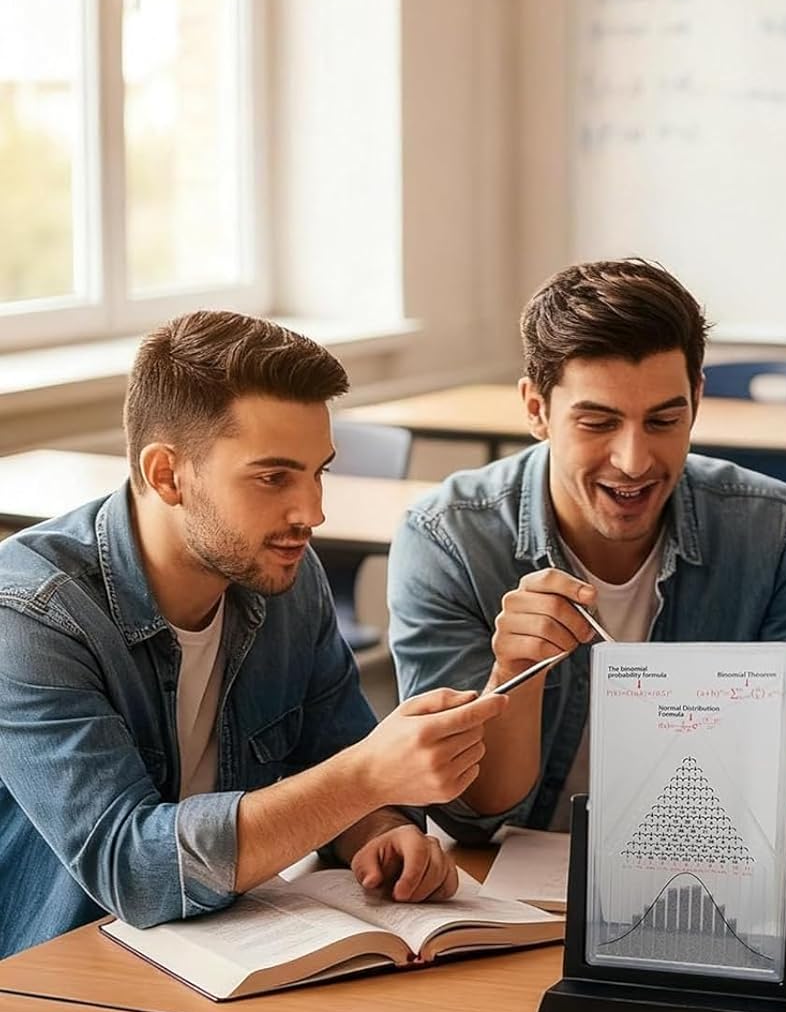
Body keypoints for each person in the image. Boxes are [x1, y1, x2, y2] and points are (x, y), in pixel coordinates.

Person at [0, 312, 505, 960]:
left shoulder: (285, 578)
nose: (313, 513)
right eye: (274, 478)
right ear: (166, 474)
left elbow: (333, 754)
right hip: (58, 982)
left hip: (225, 960)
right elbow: (133, 866)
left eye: (318, 471)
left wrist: (378, 830)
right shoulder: (30, 617)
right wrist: (366, 781)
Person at [387, 258, 786, 841]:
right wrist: (515, 674)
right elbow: (467, 815)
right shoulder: (448, 539)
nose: (634, 461)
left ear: (696, 401)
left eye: (663, 420)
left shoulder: (770, 528)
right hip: (517, 883)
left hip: (710, 868)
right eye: (597, 423)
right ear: (535, 410)